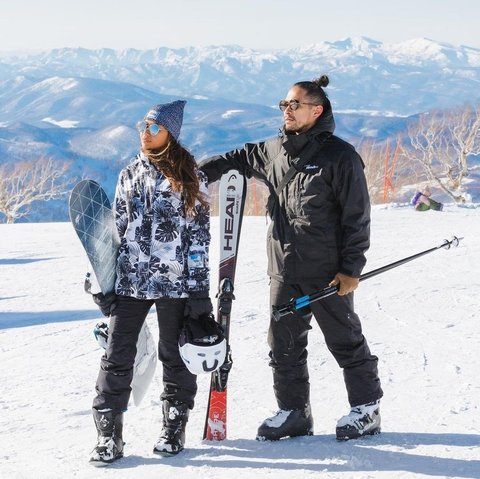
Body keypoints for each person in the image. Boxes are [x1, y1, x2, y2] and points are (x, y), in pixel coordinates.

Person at [199, 75, 383, 441]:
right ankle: (295, 411)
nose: (286, 110)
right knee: (283, 344)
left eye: (294, 105)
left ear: (317, 110)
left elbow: (357, 218)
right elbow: (237, 157)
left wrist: (351, 269)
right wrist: (199, 174)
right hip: (282, 268)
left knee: (344, 339)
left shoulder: (341, 157)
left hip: (328, 272)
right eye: (283, 104)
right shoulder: (274, 151)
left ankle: (367, 408)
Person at [89, 100, 213, 465]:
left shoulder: (191, 176)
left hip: (175, 284)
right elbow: (115, 231)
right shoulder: (129, 173)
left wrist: (199, 293)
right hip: (131, 283)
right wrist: (104, 283)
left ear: (170, 134)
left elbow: (198, 240)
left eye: (154, 127)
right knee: (116, 356)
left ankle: (173, 426)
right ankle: (109, 435)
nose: (145, 132)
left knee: (174, 356)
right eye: (142, 125)